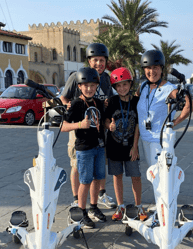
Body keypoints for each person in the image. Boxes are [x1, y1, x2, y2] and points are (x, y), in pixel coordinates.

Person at [136, 50, 193, 213]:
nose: (151, 71)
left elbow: (191, 104)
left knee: (162, 178)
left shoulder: (168, 88)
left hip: (159, 142)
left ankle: (164, 212)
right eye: (148, 68)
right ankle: (162, 207)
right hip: (146, 140)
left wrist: (173, 123)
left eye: (155, 68)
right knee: (156, 177)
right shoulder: (143, 86)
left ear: (161, 69)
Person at [60, 43, 116, 210]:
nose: (99, 64)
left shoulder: (106, 78)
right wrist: (71, 110)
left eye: (102, 60)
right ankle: (77, 199)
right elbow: (64, 97)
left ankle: (100, 195)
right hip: (79, 127)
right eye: (95, 60)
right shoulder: (77, 76)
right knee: (77, 163)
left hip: (99, 127)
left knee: (100, 162)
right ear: (89, 61)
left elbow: (109, 99)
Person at [62, 67, 107, 229]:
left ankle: (94, 207)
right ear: (79, 86)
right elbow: (63, 126)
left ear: (97, 86)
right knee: (85, 181)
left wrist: (111, 124)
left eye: (92, 85)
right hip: (84, 149)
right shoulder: (76, 104)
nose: (89, 88)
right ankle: (81, 211)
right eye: (85, 85)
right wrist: (80, 124)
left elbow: (104, 120)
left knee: (98, 178)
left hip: (100, 147)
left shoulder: (99, 102)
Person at [104, 67, 145, 221]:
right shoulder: (112, 101)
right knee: (117, 176)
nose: (122, 88)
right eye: (118, 86)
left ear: (130, 84)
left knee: (136, 176)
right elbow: (106, 120)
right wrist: (109, 126)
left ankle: (139, 206)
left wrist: (135, 147)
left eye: (125, 84)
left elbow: (137, 125)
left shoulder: (136, 102)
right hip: (114, 146)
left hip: (130, 147)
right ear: (115, 87)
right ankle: (120, 206)